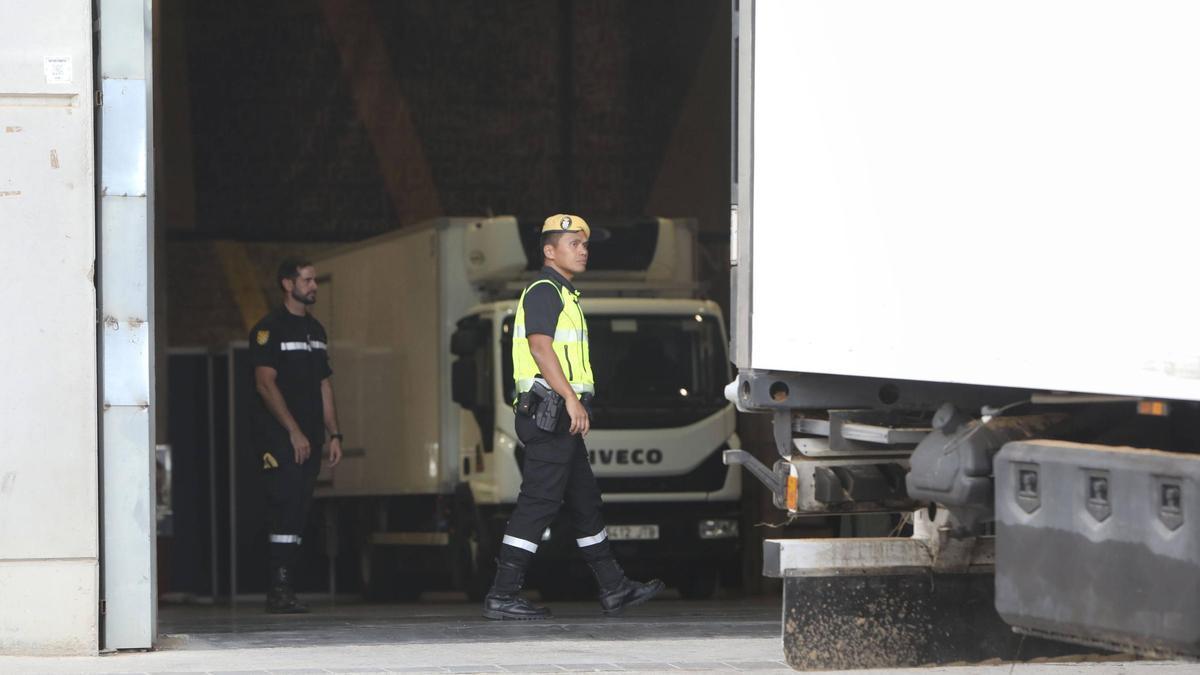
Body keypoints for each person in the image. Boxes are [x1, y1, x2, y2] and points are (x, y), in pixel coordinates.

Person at [483, 214, 664, 620]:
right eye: (573, 243)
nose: (583, 250)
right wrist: (571, 398)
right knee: (538, 503)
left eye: (585, 244)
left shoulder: (564, 294)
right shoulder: (545, 290)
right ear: (549, 251)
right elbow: (541, 348)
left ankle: (614, 588)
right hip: (550, 412)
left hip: (557, 416)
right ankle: (502, 592)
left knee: (585, 503)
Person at [249, 257, 344, 613]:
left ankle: (286, 585)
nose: (313, 286)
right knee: (284, 504)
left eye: (314, 280)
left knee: (300, 508)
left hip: (310, 438)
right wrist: (294, 432)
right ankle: (278, 587)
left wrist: (335, 434)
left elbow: (324, 385)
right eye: (306, 280)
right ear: (288, 284)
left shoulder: (316, 331)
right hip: (279, 438)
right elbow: (264, 383)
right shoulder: (269, 329)